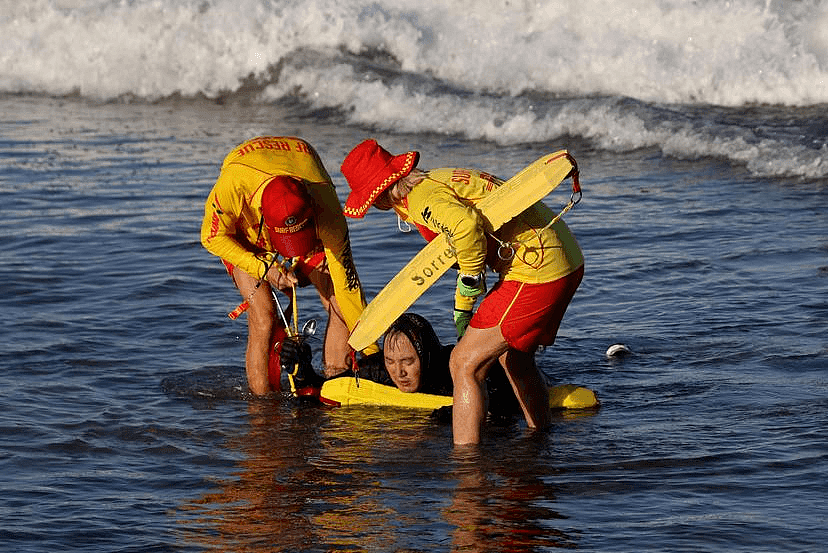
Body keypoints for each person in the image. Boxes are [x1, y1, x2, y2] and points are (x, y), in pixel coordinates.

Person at [340, 139, 584, 444]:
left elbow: (465, 228)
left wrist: (468, 290)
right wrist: (463, 307)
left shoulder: (421, 198)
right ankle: (540, 439)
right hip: (564, 256)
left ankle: (467, 466)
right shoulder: (439, 178)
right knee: (514, 359)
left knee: (462, 364)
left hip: (536, 267)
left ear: (378, 195)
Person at [200, 136, 378, 396]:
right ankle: (263, 411)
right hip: (246, 233)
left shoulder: (326, 207)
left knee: (339, 302)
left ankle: (335, 387)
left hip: (309, 217)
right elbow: (210, 236)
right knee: (264, 314)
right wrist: (263, 267)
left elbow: (348, 289)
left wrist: (373, 353)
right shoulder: (233, 186)